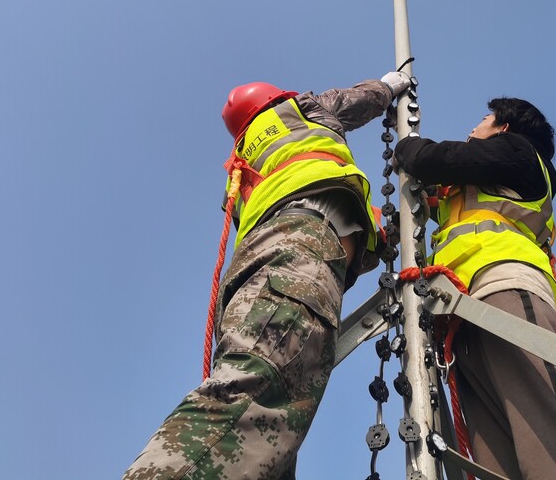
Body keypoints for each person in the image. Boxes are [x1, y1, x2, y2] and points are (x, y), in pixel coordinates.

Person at [124, 72, 411, 480]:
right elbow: (358, 100)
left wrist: (383, 236)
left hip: (263, 269)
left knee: (264, 446)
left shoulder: (243, 168)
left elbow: (318, 218)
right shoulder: (299, 111)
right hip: (297, 252)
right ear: (273, 99)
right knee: (252, 397)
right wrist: (389, 86)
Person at [393, 97, 556, 480]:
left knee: (553, 444)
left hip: (505, 289)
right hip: (462, 316)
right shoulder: (478, 188)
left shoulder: (520, 153)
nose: (472, 129)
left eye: (484, 119)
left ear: (504, 128)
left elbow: (439, 160)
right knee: (496, 465)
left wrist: (409, 147)